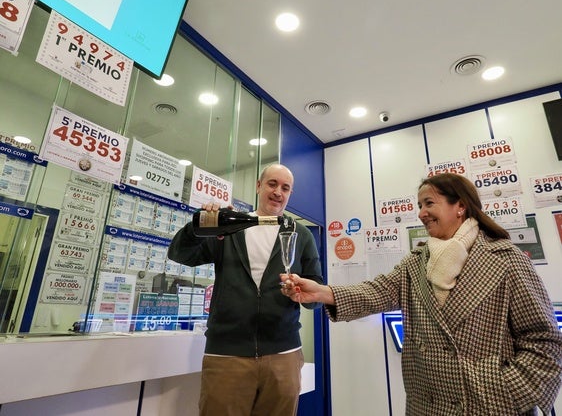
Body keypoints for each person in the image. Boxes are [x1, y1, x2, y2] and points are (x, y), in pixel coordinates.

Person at [281, 173, 562, 416]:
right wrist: (323, 292)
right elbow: (378, 291)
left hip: (490, 403)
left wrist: (506, 389)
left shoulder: (506, 260)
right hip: (427, 404)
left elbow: (544, 339)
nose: (421, 212)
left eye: (429, 203)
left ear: (460, 206)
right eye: (419, 205)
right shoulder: (417, 260)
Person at [168, 163, 323, 416]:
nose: (278, 192)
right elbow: (179, 254)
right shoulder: (227, 228)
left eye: (286, 188)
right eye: (272, 184)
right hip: (226, 355)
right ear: (259, 186)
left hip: (284, 355)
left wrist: (306, 294)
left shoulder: (301, 234)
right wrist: (200, 227)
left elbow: (314, 294)